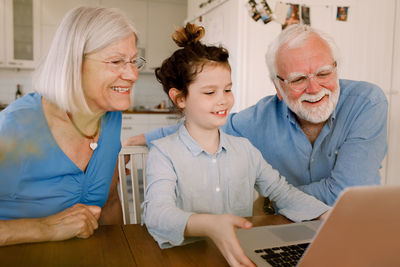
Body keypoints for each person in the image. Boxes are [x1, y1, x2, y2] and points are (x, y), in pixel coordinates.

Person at [127, 24, 388, 206]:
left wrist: (271, 203)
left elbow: (349, 194)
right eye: (298, 79)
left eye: (323, 73)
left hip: (354, 228)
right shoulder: (257, 120)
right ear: (278, 87)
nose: (314, 88)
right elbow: (205, 125)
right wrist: (143, 138)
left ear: (335, 68)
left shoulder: (366, 102)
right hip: (289, 232)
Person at [143, 23, 329, 267]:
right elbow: (156, 214)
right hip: (185, 257)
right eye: (210, 92)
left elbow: (281, 192)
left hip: (240, 255)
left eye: (228, 89)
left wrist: (326, 213)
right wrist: (209, 225)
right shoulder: (164, 153)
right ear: (179, 98)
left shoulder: (245, 149)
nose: (223, 100)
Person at [0, 6, 145, 246]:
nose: (132, 74)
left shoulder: (110, 117)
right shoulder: (17, 127)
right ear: (73, 63)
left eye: (133, 61)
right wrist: (44, 228)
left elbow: (109, 203)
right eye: (117, 61)